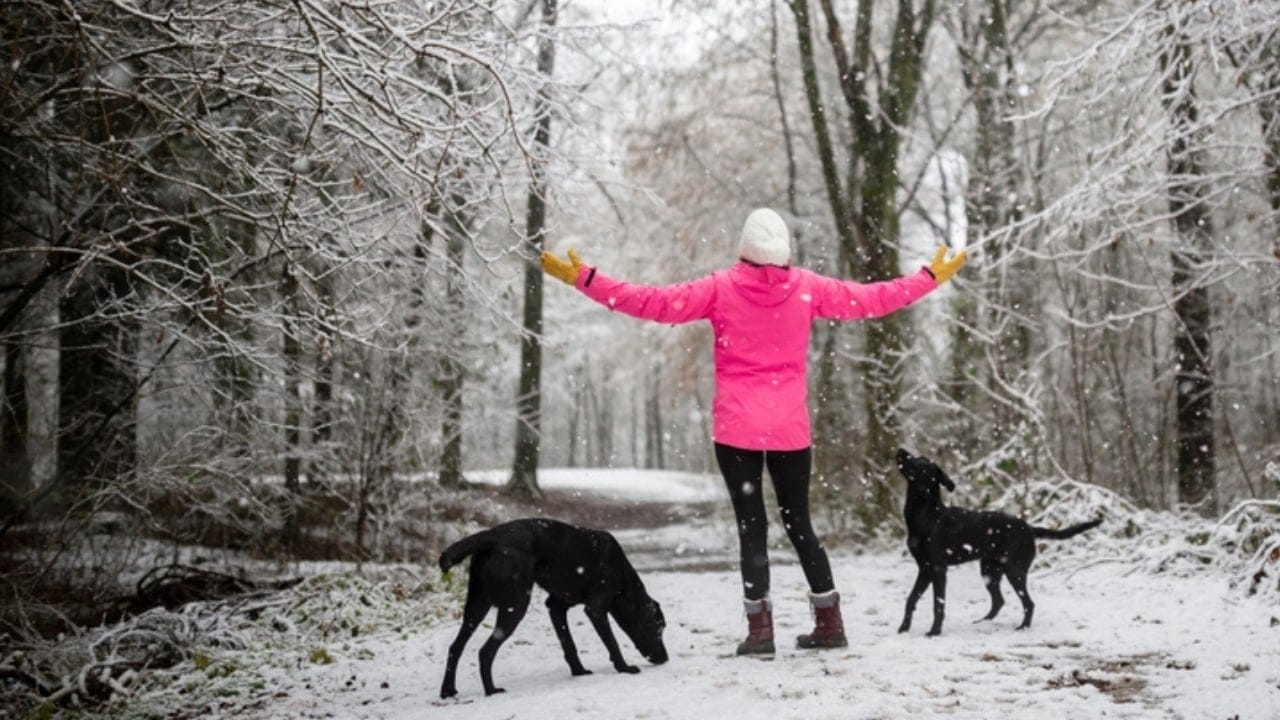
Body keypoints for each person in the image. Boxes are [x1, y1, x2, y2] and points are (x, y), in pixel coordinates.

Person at [540, 208, 966, 656]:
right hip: (789, 430)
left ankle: (760, 631)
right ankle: (829, 620)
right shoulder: (808, 288)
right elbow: (874, 298)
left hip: (737, 427)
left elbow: (654, 303)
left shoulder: (719, 288)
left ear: (745, 249)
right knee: (800, 523)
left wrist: (585, 279)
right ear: (784, 252)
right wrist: (928, 277)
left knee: (751, 526)